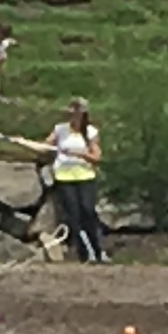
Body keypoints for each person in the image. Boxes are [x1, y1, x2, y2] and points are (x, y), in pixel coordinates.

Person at [40, 99, 107, 262]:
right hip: (65, 176)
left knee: (88, 210)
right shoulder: (60, 129)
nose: (73, 116)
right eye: (71, 112)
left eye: (77, 112)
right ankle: (84, 253)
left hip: (85, 176)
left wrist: (79, 154)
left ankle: (98, 250)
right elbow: (45, 147)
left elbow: (97, 157)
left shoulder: (91, 132)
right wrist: (22, 142)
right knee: (73, 215)